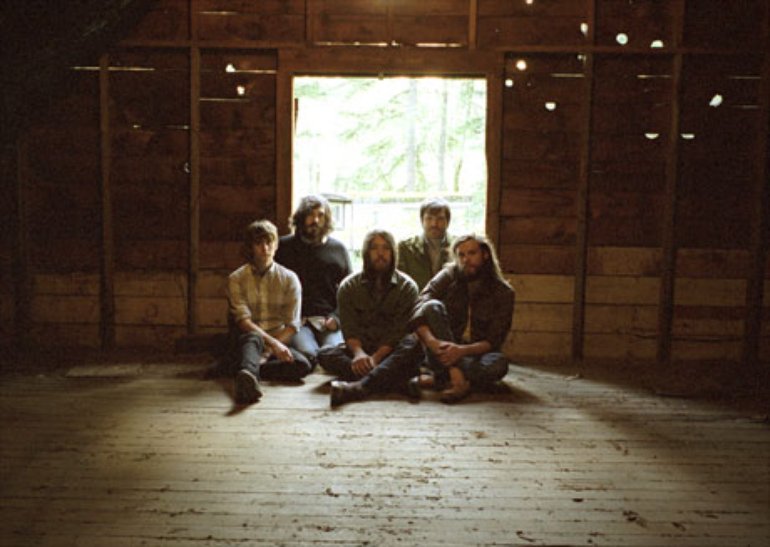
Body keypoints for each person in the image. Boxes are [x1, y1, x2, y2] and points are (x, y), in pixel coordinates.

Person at [317, 230, 422, 407]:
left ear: (393, 253)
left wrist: (376, 359)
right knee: (324, 354)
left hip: (391, 352)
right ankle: (396, 382)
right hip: (362, 351)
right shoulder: (349, 286)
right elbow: (349, 328)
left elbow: (398, 332)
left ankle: (358, 387)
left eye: (386, 248)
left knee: (413, 346)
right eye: (374, 248)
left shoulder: (407, 287)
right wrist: (359, 354)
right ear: (366, 253)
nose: (380, 253)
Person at [408, 233, 514, 404]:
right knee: (431, 306)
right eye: (461, 255)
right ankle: (459, 380)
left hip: (475, 354)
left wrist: (460, 352)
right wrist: (431, 341)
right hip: (442, 350)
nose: (466, 259)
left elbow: (493, 341)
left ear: (485, 254)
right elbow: (420, 304)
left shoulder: (504, 292)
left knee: (499, 364)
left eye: (472, 253)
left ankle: (440, 379)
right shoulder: (449, 275)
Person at [226, 219, 313, 405]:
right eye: (259, 243)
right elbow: (243, 321)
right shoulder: (236, 278)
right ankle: (247, 382)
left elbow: (292, 325)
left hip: (279, 338)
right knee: (252, 339)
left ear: (276, 245)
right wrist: (271, 345)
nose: (265, 248)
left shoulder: (289, 278)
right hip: (250, 339)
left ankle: (244, 370)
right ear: (251, 247)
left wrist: (270, 350)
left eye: (269, 242)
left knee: (303, 365)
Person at [275, 195, 352, 363]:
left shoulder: (338, 249)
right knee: (309, 355)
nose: (315, 220)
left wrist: (337, 318)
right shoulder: (284, 247)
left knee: (333, 352)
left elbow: (350, 291)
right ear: (301, 217)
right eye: (310, 215)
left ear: (327, 219)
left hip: (327, 320)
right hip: (297, 323)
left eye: (320, 215)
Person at [397, 197, 453, 290]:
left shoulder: (458, 248)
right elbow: (400, 285)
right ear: (422, 221)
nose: (434, 224)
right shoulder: (405, 248)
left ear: (448, 221)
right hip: (416, 298)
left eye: (440, 219)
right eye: (429, 218)